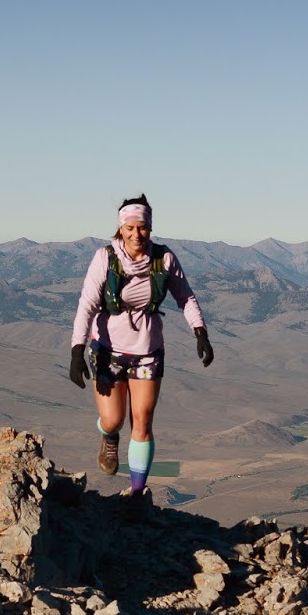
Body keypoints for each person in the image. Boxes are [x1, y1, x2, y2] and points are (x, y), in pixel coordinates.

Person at [69, 195, 214, 496]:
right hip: (108, 349)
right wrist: (77, 350)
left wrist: (200, 332)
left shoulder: (165, 259)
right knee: (113, 419)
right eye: (131, 227)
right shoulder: (105, 258)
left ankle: (136, 493)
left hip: (147, 350)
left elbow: (185, 297)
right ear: (121, 228)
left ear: (150, 228)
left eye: (143, 227)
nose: (137, 234)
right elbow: (87, 305)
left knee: (143, 420)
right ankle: (109, 438)